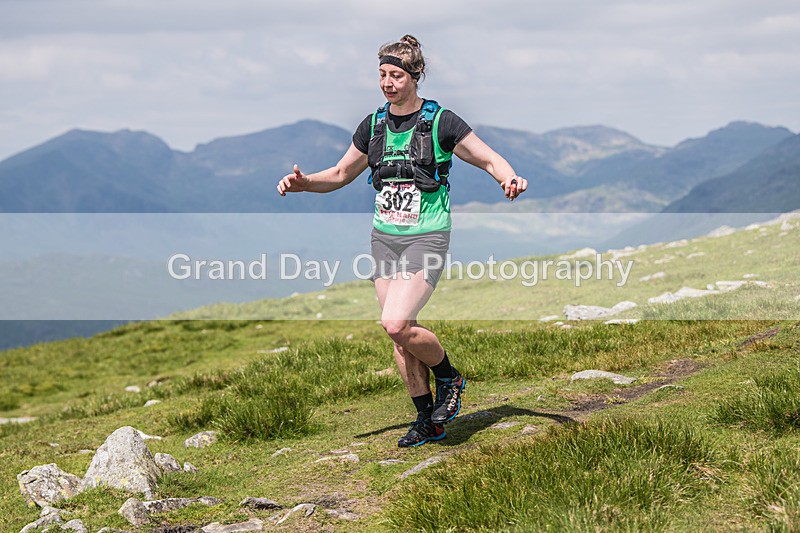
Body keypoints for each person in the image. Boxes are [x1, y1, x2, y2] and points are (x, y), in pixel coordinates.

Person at [278, 35, 527, 447]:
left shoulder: (440, 121)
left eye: (396, 75)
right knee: (400, 332)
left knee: (394, 323)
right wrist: (304, 184)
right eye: (382, 75)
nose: (387, 83)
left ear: (415, 76)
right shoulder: (373, 125)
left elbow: (487, 157)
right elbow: (341, 174)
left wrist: (508, 177)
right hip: (384, 240)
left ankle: (450, 377)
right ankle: (427, 420)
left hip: (426, 237)